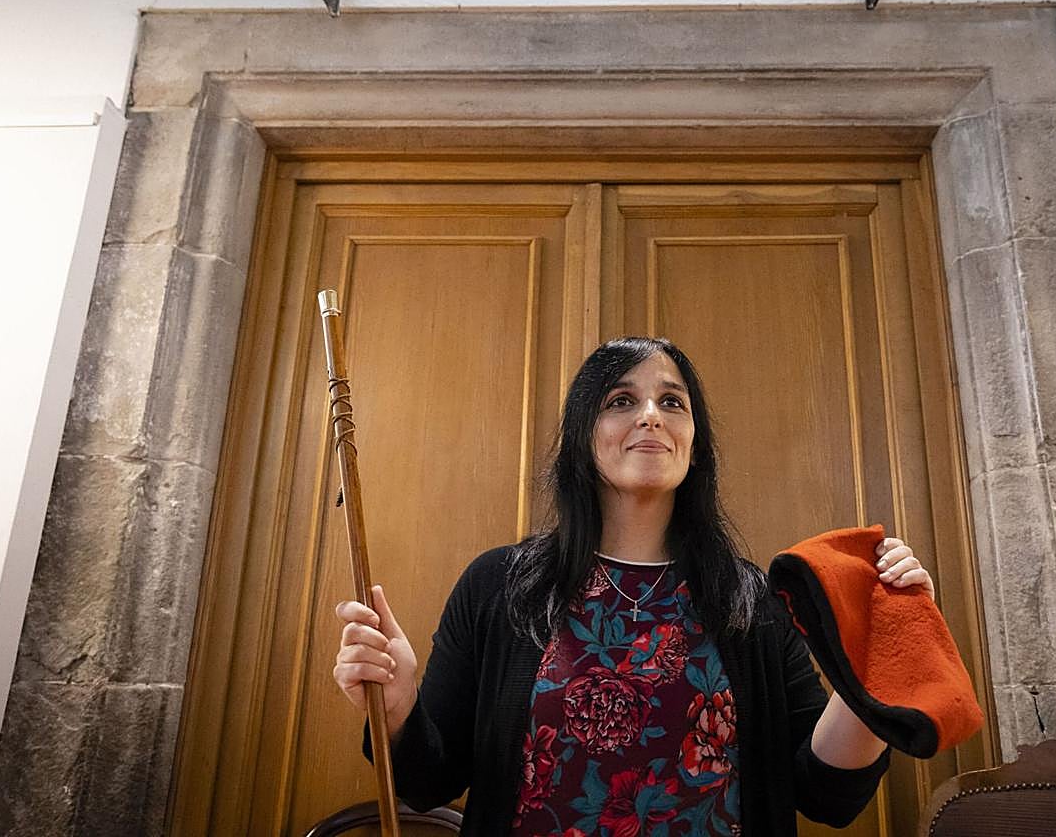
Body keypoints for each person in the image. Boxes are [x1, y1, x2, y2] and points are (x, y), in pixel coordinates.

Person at [333, 337, 934, 836]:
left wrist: (874, 664)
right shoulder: (498, 586)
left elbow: (825, 796)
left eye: (672, 402)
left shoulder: (750, 598)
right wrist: (397, 706)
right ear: (582, 437)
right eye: (621, 400)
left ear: (694, 446)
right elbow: (428, 783)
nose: (650, 415)